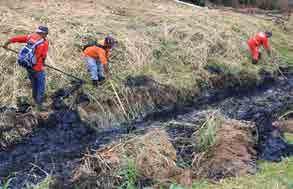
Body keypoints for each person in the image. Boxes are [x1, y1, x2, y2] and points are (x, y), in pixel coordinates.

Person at [3, 26, 49, 111]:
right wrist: (43, 63)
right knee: (41, 86)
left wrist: (6, 43)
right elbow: (43, 56)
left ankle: (35, 100)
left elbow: (16, 39)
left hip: (28, 66)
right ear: (43, 33)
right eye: (46, 34)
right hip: (37, 68)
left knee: (34, 84)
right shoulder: (44, 42)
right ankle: (39, 105)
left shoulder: (30, 37)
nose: (46, 35)